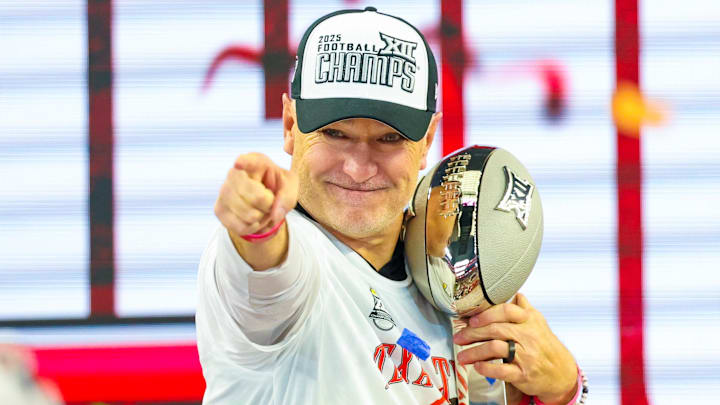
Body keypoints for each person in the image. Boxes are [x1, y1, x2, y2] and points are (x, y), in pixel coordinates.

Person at [196, 7, 581, 405]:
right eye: (335, 133)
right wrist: (257, 227)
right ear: (290, 125)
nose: (359, 168)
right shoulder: (296, 262)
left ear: (427, 140)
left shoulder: (449, 280)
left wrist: (564, 390)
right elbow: (267, 279)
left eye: (389, 139)